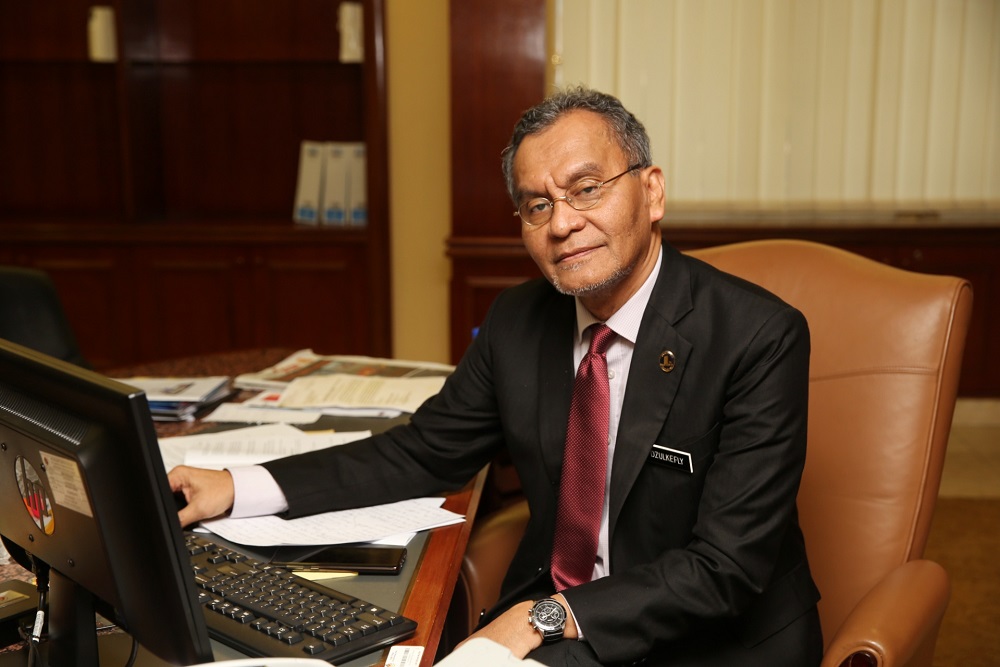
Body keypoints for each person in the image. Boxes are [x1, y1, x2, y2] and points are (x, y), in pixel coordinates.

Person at [169, 87, 823, 666]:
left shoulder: (758, 336)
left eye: (586, 188)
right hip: (564, 630)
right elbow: (422, 453)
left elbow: (725, 569)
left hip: (707, 642)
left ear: (651, 191)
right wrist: (237, 486)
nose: (562, 223)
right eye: (536, 205)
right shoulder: (518, 320)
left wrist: (549, 617)